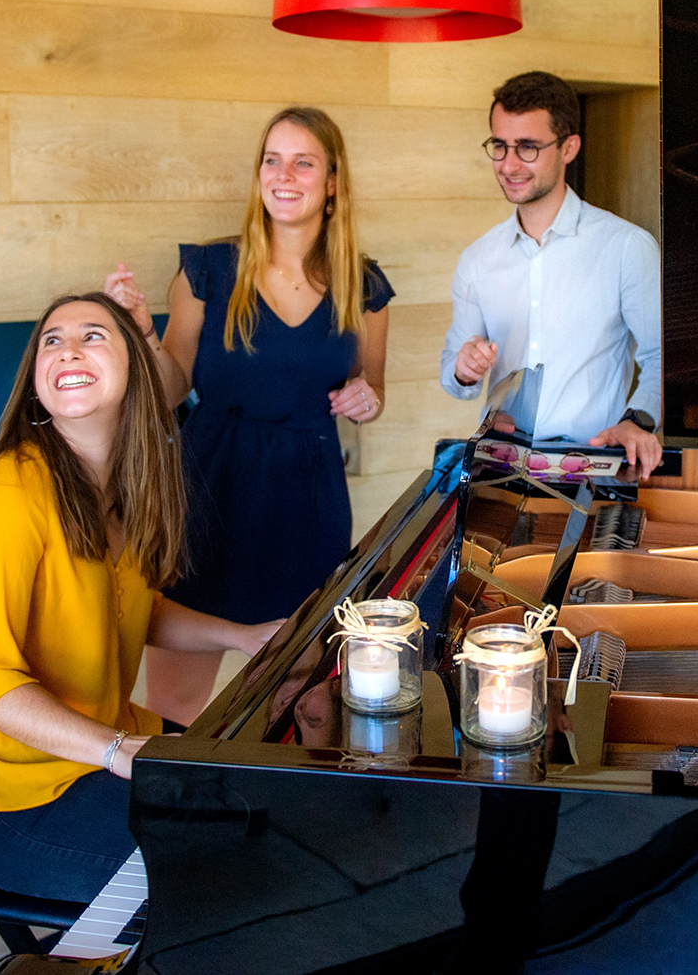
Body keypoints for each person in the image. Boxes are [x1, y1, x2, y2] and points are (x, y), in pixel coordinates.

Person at [0, 292, 281, 902]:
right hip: (8, 793)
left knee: (268, 805)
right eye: (52, 339)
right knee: (226, 872)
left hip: (96, 748)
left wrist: (242, 637)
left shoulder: (124, 488)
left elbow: (131, 607)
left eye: (94, 335)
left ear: (135, 370)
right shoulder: (10, 491)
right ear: (36, 380)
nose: (68, 347)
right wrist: (118, 751)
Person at [104, 106, 392, 724]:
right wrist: (141, 338)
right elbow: (172, 385)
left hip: (307, 497)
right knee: (176, 704)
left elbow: (372, 389)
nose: (283, 175)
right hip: (207, 487)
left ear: (333, 181)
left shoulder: (363, 284)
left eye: (303, 162)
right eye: (272, 159)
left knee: (303, 695)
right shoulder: (208, 269)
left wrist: (366, 398)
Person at [440, 70, 663, 477]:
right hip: (500, 469)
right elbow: (454, 378)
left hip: (594, 469)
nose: (508, 165)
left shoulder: (627, 247)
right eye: (500, 146)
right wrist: (463, 368)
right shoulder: (478, 258)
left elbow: (659, 356)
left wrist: (639, 420)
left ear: (569, 147)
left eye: (527, 147)